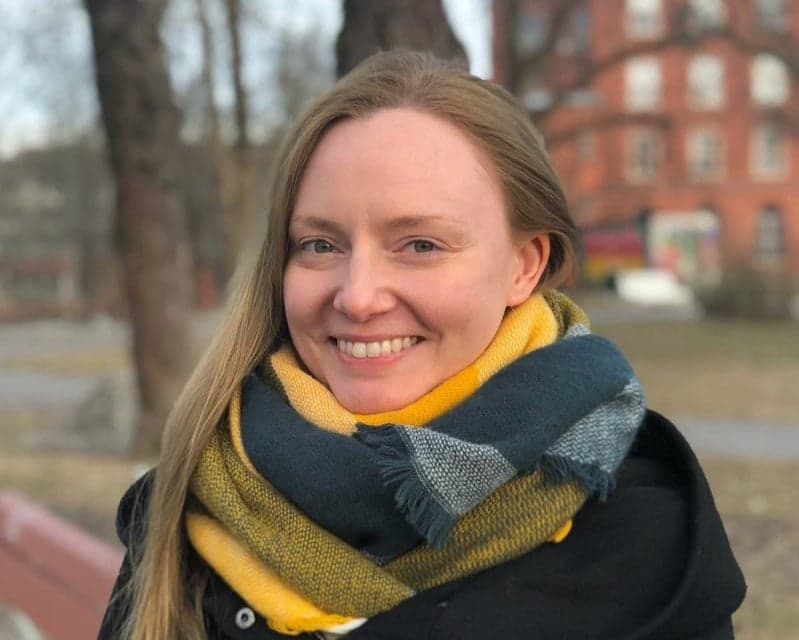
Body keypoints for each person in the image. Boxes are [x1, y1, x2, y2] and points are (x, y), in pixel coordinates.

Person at [100, 50, 745, 640]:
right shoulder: (193, 503)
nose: (357, 296)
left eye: (420, 245)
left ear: (524, 265)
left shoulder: (644, 541)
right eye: (321, 245)